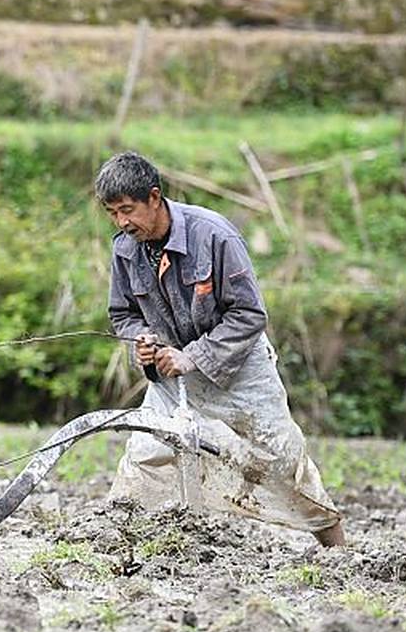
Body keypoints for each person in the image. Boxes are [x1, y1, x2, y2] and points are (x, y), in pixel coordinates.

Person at [97, 150, 346, 547]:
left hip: (238, 368)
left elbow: (249, 314)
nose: (122, 222)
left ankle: (339, 552)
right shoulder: (124, 248)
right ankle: (114, 546)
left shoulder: (213, 235)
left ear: (155, 197)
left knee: (280, 460)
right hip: (169, 373)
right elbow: (123, 314)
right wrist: (142, 341)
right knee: (145, 455)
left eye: (128, 210)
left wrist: (192, 356)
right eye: (113, 213)